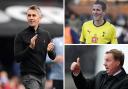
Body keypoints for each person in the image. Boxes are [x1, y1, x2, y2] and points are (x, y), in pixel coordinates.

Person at [14, 5, 56, 89]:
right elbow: (17, 58)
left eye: (34, 15)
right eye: (29, 15)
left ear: (39, 18)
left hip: (42, 76)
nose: (31, 18)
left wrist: (50, 51)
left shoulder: (46, 34)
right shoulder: (20, 35)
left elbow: (53, 57)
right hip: (29, 76)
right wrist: (30, 47)